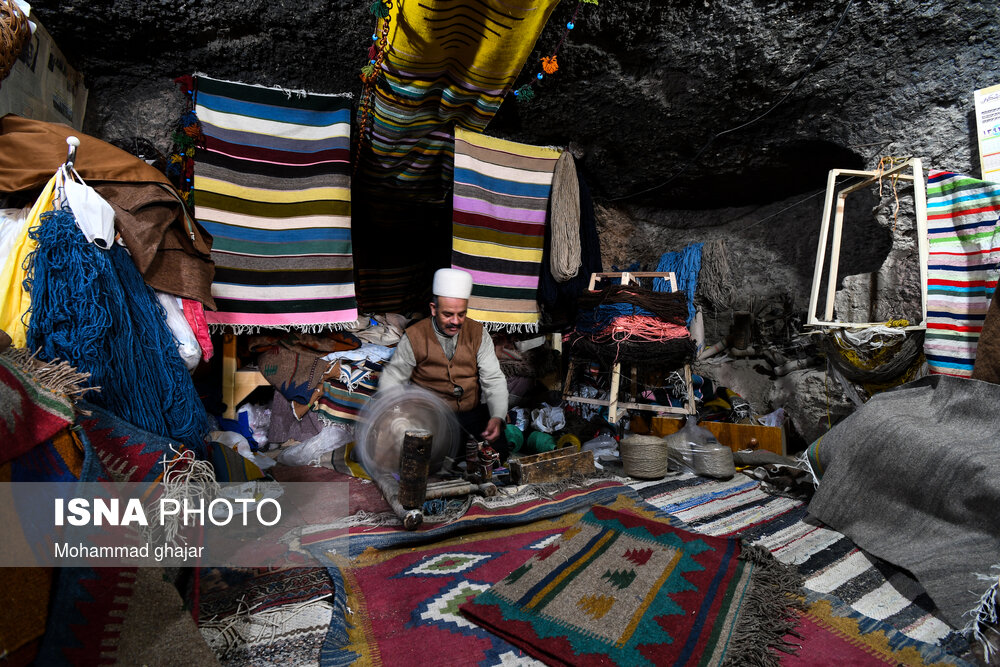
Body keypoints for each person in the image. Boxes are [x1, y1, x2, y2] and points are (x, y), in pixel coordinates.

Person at [379, 268, 509, 461]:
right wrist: (397, 415)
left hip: (469, 416)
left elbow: (493, 378)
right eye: (448, 314)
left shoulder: (478, 333)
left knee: (498, 455)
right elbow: (393, 376)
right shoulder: (415, 336)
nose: (455, 322)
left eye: (461, 315)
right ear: (433, 309)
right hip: (431, 419)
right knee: (422, 463)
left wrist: (497, 416)